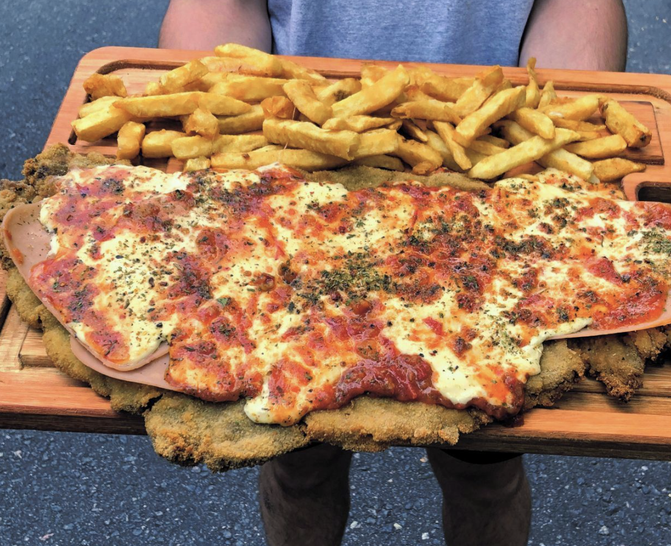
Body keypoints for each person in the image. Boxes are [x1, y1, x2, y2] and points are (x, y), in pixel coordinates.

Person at [158, 2, 628, 545]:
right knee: (298, 468)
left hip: (493, 170)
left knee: (485, 477)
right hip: (294, 168)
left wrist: (568, 114)